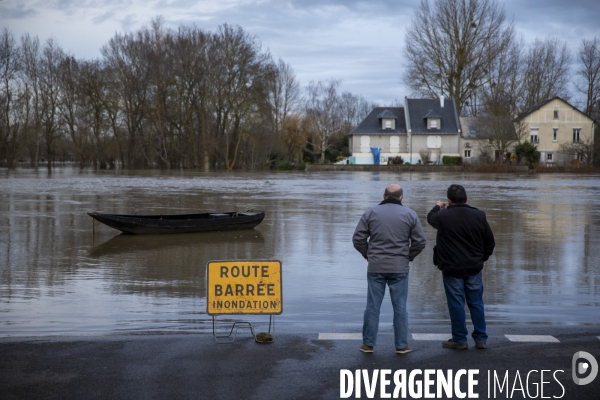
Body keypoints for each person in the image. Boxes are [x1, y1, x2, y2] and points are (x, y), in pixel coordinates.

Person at [352, 184, 426, 354]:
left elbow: (358, 239)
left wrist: (369, 254)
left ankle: (368, 344)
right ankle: (401, 345)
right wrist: (408, 256)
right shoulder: (410, 214)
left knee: (372, 306)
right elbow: (420, 242)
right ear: (401, 197)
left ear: (384, 196)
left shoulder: (370, 212)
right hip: (400, 267)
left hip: (376, 266)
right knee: (400, 307)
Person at [427, 184, 495, 350]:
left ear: (449, 201)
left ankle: (460, 339)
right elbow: (490, 242)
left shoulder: (443, 216)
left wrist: (438, 206)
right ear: (467, 199)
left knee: (456, 304)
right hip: (474, 267)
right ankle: (480, 339)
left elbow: (430, 218)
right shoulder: (479, 215)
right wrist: (481, 259)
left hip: (452, 269)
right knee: (476, 303)